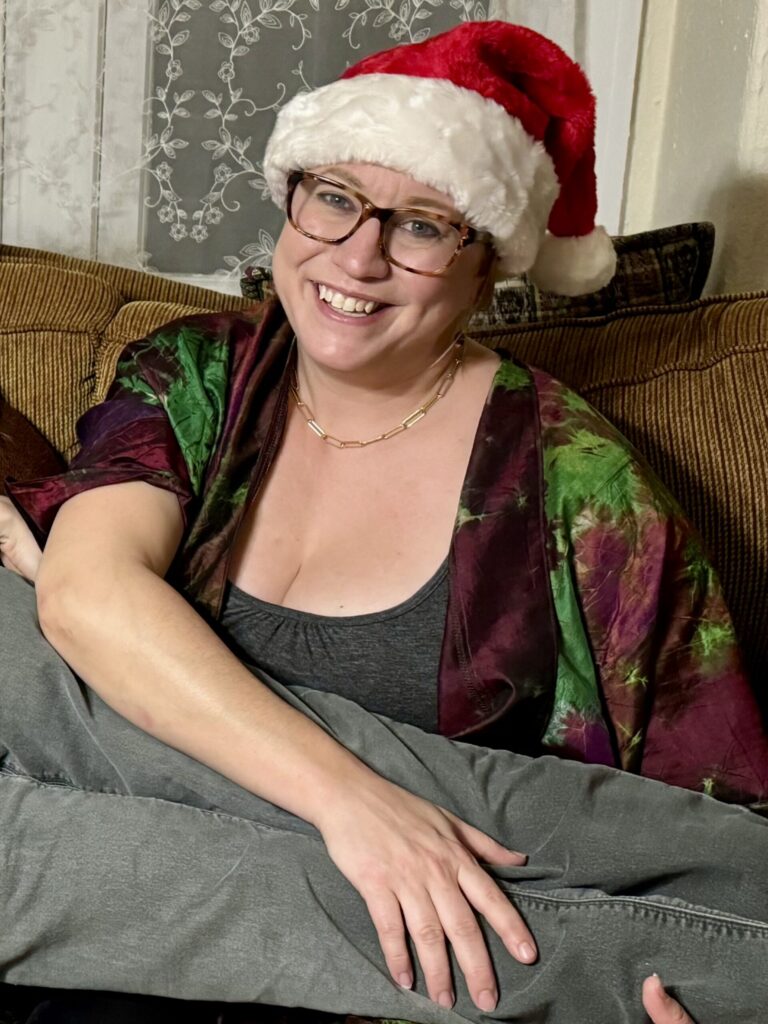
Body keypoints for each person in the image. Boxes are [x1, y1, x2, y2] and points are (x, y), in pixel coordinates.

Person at [1, 20, 767, 1024]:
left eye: (420, 223)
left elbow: (708, 813)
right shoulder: (197, 376)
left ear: (485, 261)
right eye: (335, 199)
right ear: (291, 201)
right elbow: (91, 599)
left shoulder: (572, 477)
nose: (358, 256)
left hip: (425, 959)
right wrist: (357, 805)